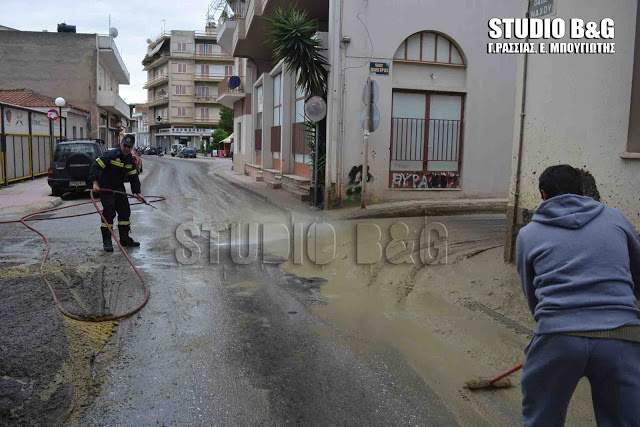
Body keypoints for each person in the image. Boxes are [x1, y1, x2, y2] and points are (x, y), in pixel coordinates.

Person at [516, 164, 640, 426]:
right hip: (621, 335)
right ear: (583, 191)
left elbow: (532, 294)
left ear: (542, 195)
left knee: (541, 419)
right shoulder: (616, 218)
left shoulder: (528, 235)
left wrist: (551, 326)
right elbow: (637, 271)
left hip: (558, 336)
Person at [89, 134, 146, 252]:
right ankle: (107, 241)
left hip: (119, 189)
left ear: (131, 148)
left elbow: (133, 178)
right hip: (106, 188)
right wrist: (95, 183)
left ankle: (124, 239)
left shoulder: (130, 160)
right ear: (121, 144)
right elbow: (95, 166)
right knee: (109, 213)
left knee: (125, 212)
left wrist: (138, 193)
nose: (126, 148)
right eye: (124, 145)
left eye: (129, 147)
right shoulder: (111, 155)